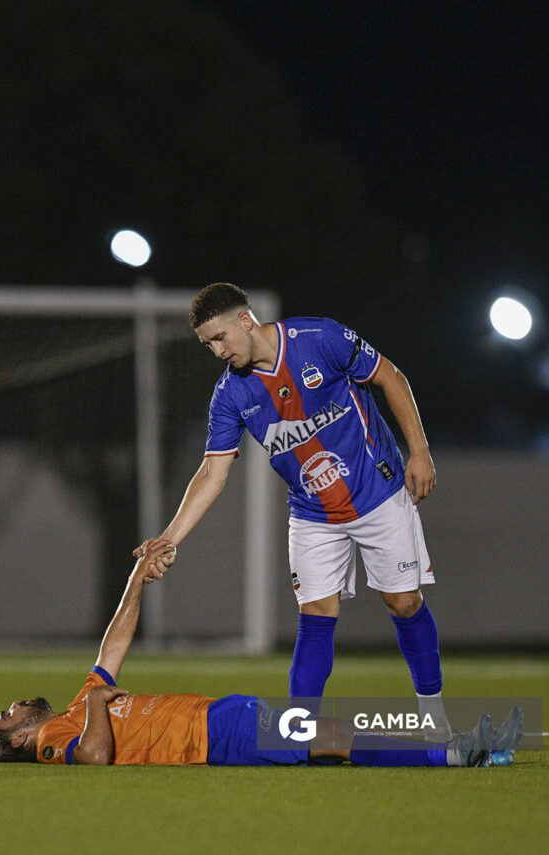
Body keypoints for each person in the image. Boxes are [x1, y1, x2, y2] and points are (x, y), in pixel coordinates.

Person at [134, 283, 450, 735]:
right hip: (312, 514)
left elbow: (389, 376)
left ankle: (435, 718)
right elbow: (212, 474)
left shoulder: (320, 338)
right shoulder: (230, 395)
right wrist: (169, 538)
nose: (217, 350)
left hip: (377, 493)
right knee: (316, 615)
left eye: (220, 337)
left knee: (403, 603)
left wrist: (419, 451)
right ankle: (300, 731)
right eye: (208, 345)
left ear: (246, 320)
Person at [0, 544, 522, 768]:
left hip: (219, 715)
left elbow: (115, 642)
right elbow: (95, 758)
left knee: (331, 737)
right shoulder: (53, 739)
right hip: (213, 736)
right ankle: (453, 753)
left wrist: (137, 578)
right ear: (19, 738)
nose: (15, 705)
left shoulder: (74, 706)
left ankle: (459, 750)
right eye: (7, 715)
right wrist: (97, 701)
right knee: (333, 738)